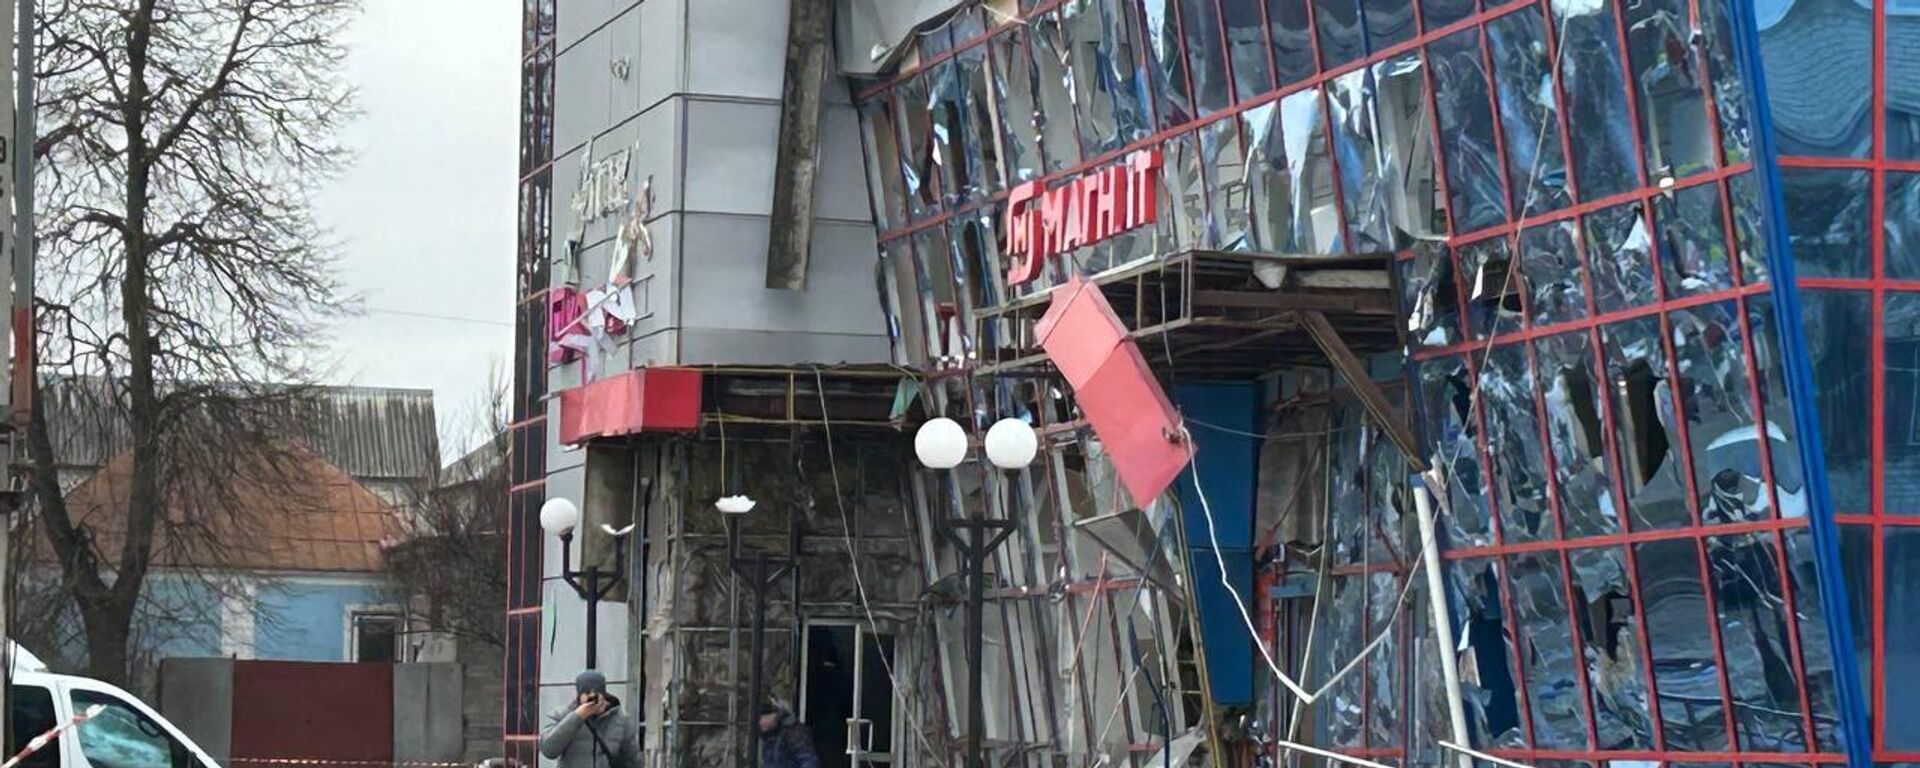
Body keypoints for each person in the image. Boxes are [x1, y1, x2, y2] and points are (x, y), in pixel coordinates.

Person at [540, 671, 638, 768]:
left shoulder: (620, 720)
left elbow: (633, 760)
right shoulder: (563, 715)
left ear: (604, 694)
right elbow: (548, 750)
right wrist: (578, 716)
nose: (592, 697)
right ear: (579, 695)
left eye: (597, 692)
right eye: (587, 693)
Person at [757, 701, 819, 768]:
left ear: (775, 715)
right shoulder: (769, 736)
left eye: (763, 718)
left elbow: (807, 760)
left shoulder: (794, 732)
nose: (760, 723)